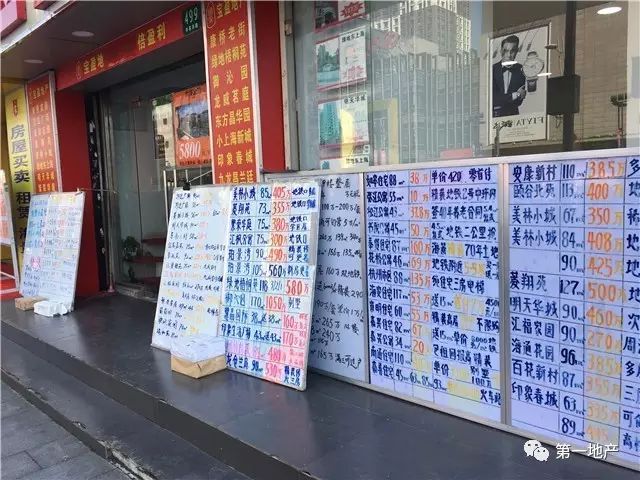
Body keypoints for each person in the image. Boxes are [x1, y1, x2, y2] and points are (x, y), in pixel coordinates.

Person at [492, 35, 526, 117]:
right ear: (501, 51)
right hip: (495, 116)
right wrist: (516, 95)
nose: (509, 55)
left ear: (517, 51)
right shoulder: (493, 69)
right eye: (506, 51)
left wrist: (517, 96)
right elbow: (494, 98)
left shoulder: (521, 69)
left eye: (512, 51)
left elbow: (519, 101)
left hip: (513, 116)